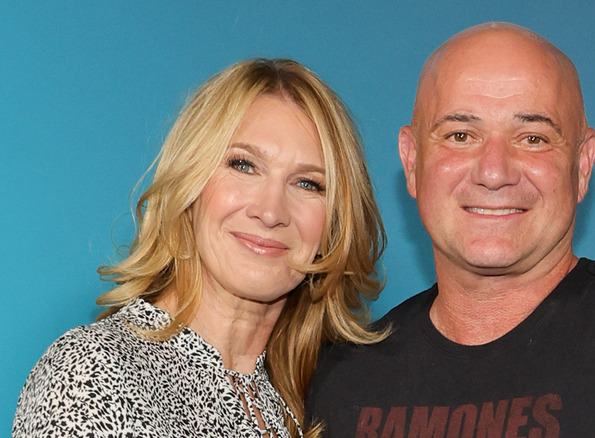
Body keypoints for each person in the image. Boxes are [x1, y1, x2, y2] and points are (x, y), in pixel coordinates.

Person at [305, 22, 595, 437]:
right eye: (461, 135)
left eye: (533, 139)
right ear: (412, 161)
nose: (493, 171)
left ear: (582, 165)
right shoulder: (344, 379)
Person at [13, 58, 386, 438]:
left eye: (308, 184)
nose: (271, 211)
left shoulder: (315, 405)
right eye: (244, 165)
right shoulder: (94, 373)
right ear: (189, 188)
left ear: (336, 225)